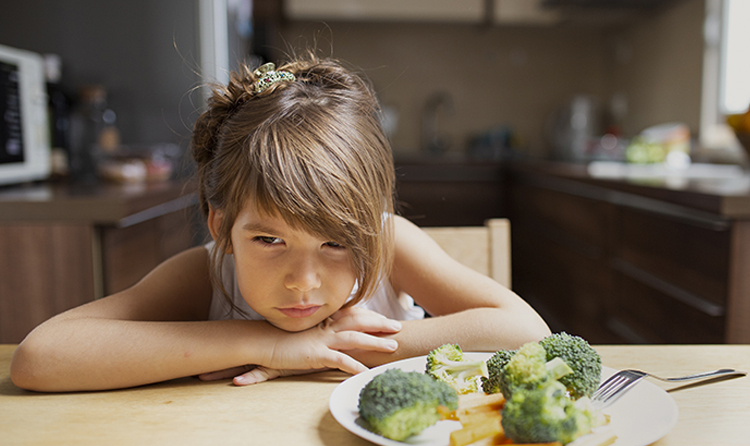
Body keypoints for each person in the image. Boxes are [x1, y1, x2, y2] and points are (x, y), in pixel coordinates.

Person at [10, 55, 550, 392]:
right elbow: (41, 357)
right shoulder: (206, 274)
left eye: (337, 242)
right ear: (220, 225)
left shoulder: (390, 241)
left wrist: (339, 344)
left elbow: (527, 331)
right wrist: (263, 343)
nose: (303, 282)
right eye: (269, 240)